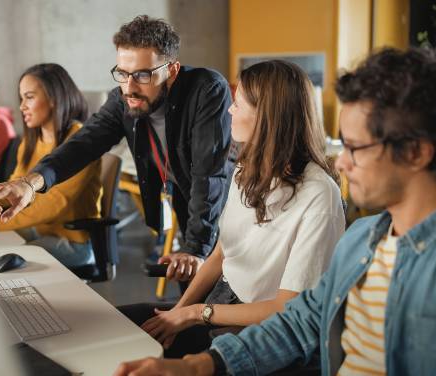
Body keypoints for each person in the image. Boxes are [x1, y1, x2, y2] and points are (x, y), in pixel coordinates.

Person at [114, 48, 436, 376]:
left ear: (416, 152)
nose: (341, 163)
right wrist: (194, 367)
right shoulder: (363, 240)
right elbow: (299, 324)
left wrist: (195, 320)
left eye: (355, 148)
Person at [0, 15, 234, 281]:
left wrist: (196, 247)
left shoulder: (206, 89)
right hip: (189, 201)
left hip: (233, 203)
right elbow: (82, 144)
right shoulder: (123, 100)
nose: (129, 88)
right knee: (192, 286)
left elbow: (208, 174)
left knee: (228, 287)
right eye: (122, 74)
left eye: (143, 75)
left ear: (172, 71)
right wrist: (30, 183)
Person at [118, 60, 345, 358]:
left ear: (266, 116)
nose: (229, 110)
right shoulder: (247, 169)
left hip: (259, 329)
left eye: (237, 103)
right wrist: (177, 311)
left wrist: (193, 314)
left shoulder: (319, 195)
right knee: (112, 325)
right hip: (219, 301)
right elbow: (221, 254)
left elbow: (287, 308)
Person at [0, 64, 101, 269]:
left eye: (29, 97)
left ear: (54, 98)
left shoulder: (80, 142)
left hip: (74, 243)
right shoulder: (31, 142)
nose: (22, 107)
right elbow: (12, 188)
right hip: (39, 230)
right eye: (22, 98)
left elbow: (54, 204)